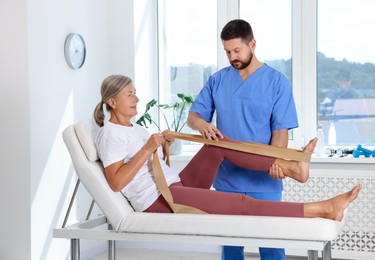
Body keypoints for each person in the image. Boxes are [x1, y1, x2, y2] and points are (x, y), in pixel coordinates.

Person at [92, 74, 361, 230]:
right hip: (158, 200)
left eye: (135, 93)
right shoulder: (110, 134)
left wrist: (161, 150)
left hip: (173, 184)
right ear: (112, 101)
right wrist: (148, 149)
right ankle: (324, 208)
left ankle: (291, 166)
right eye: (130, 94)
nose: (137, 99)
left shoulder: (135, 128)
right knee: (238, 204)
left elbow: (149, 168)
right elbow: (116, 182)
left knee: (217, 145)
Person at [187, 19, 298, 259]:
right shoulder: (217, 80)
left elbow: (280, 132)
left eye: (237, 50)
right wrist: (203, 124)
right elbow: (193, 116)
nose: (232, 56)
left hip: (264, 180)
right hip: (227, 179)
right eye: (227, 51)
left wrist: (276, 163)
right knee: (230, 246)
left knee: (271, 246)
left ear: (253, 44)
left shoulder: (277, 82)